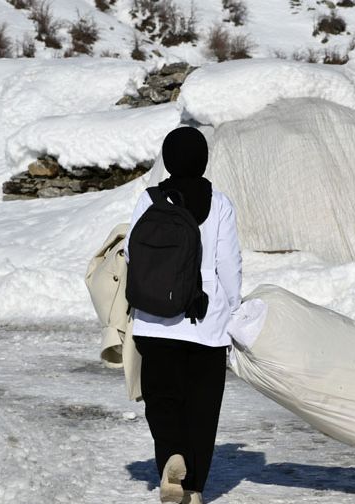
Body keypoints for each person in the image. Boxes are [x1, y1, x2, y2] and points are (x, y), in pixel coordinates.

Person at [125, 127, 242, 504]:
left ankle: (171, 456)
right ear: (203, 159)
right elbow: (228, 263)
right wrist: (234, 308)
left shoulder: (149, 199)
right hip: (206, 322)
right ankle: (193, 488)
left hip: (155, 318)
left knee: (162, 399)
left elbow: (131, 253)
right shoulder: (220, 202)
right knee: (202, 408)